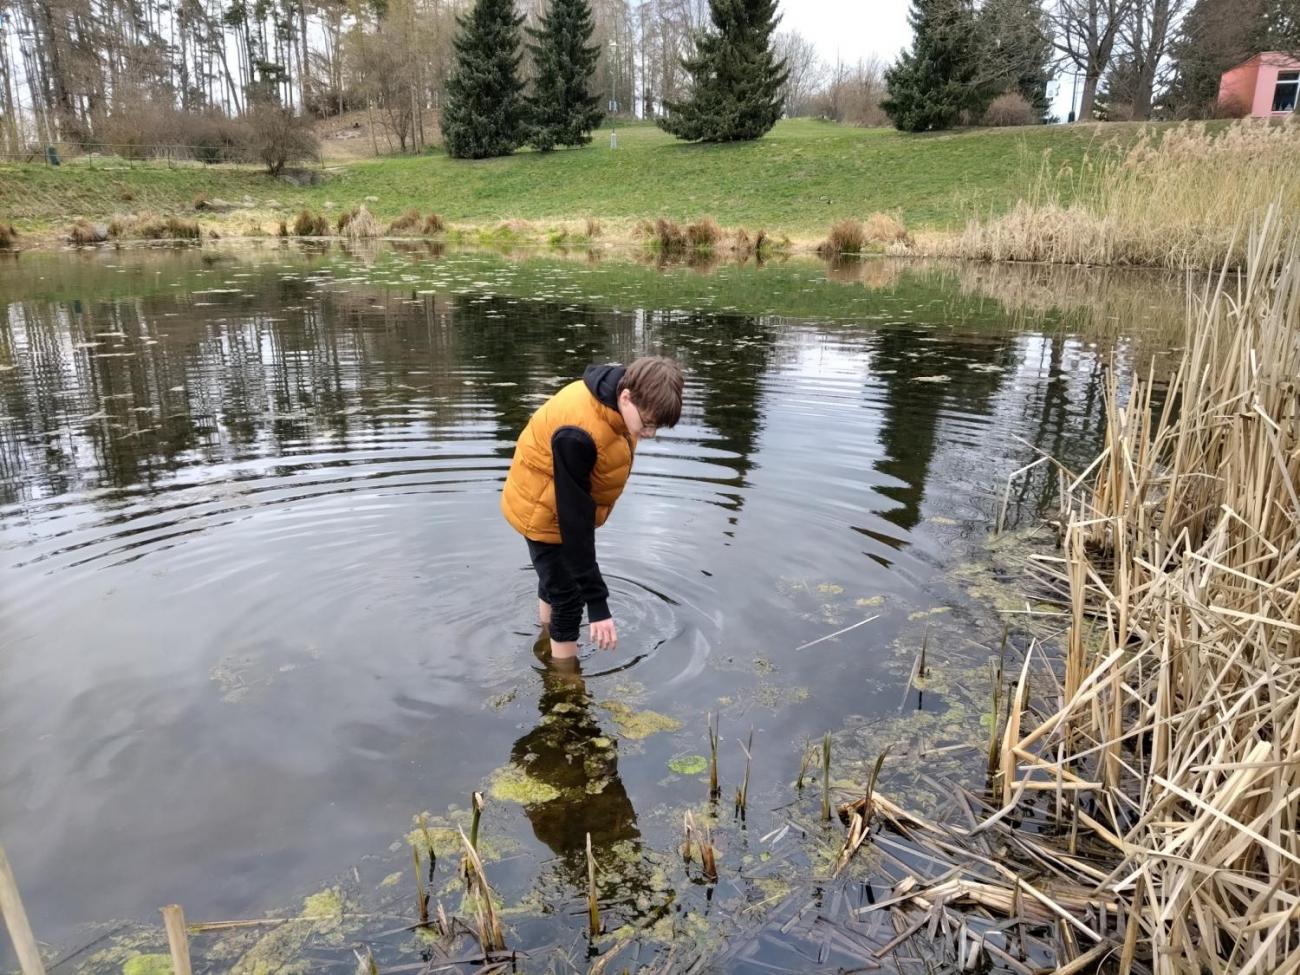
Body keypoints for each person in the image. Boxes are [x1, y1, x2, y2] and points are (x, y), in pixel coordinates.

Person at [501, 357, 684, 660]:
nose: (650, 434)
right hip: (542, 511)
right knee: (570, 599)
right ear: (626, 398)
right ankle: (564, 685)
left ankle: (547, 633)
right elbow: (574, 522)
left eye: (656, 427)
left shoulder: (622, 399)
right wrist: (597, 603)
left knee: (556, 584)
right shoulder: (579, 433)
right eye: (648, 424)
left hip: (556, 501)